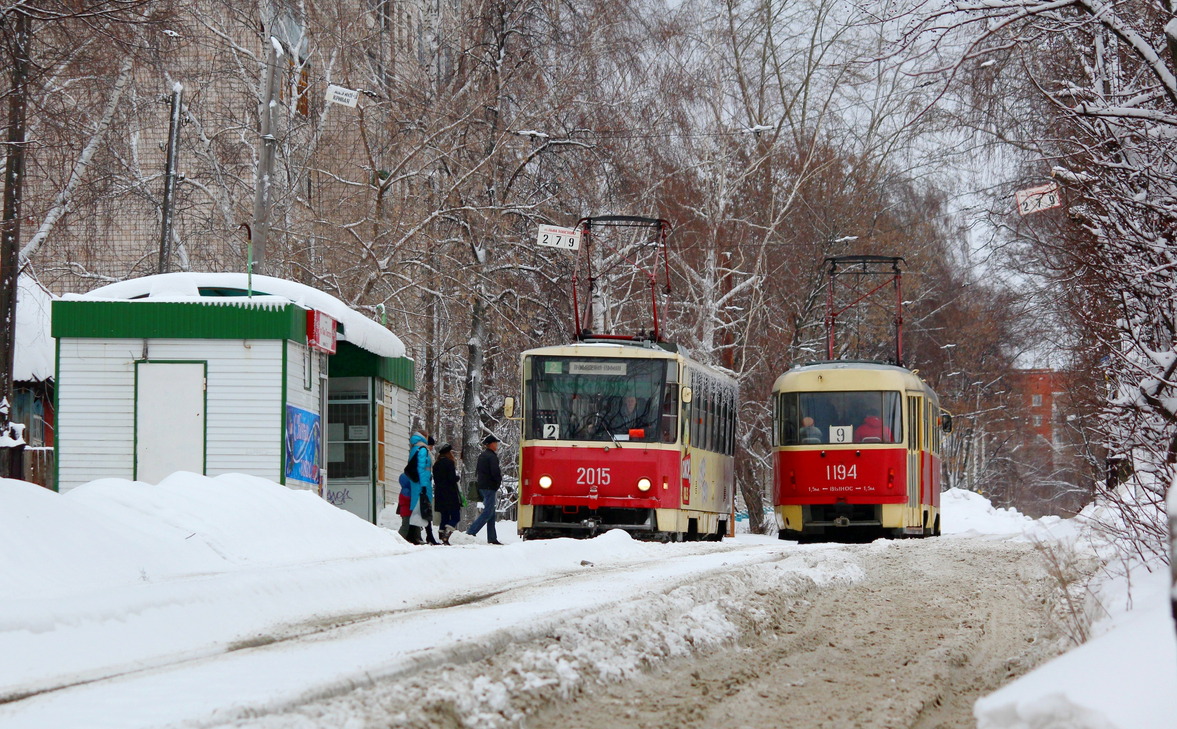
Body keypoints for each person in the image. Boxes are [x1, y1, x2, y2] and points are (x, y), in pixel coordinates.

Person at [398, 429, 436, 545]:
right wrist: (424, 485)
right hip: (421, 484)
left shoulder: (414, 448)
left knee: (417, 510)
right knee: (424, 508)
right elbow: (422, 469)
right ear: (425, 436)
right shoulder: (423, 449)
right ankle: (428, 536)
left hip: (415, 483)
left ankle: (415, 536)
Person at [466, 434, 504, 545]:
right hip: (490, 487)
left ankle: (492, 538)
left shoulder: (482, 455)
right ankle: (471, 532)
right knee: (487, 512)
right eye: (495, 443)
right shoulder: (492, 457)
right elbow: (495, 472)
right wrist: (497, 482)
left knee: (491, 512)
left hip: (482, 486)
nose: (497, 445)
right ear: (491, 444)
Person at [432, 442, 463, 545]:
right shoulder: (449, 463)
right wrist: (457, 478)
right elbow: (451, 478)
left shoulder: (436, 464)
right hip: (450, 493)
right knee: (455, 516)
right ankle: (446, 535)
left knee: (444, 516)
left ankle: (441, 534)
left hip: (439, 493)